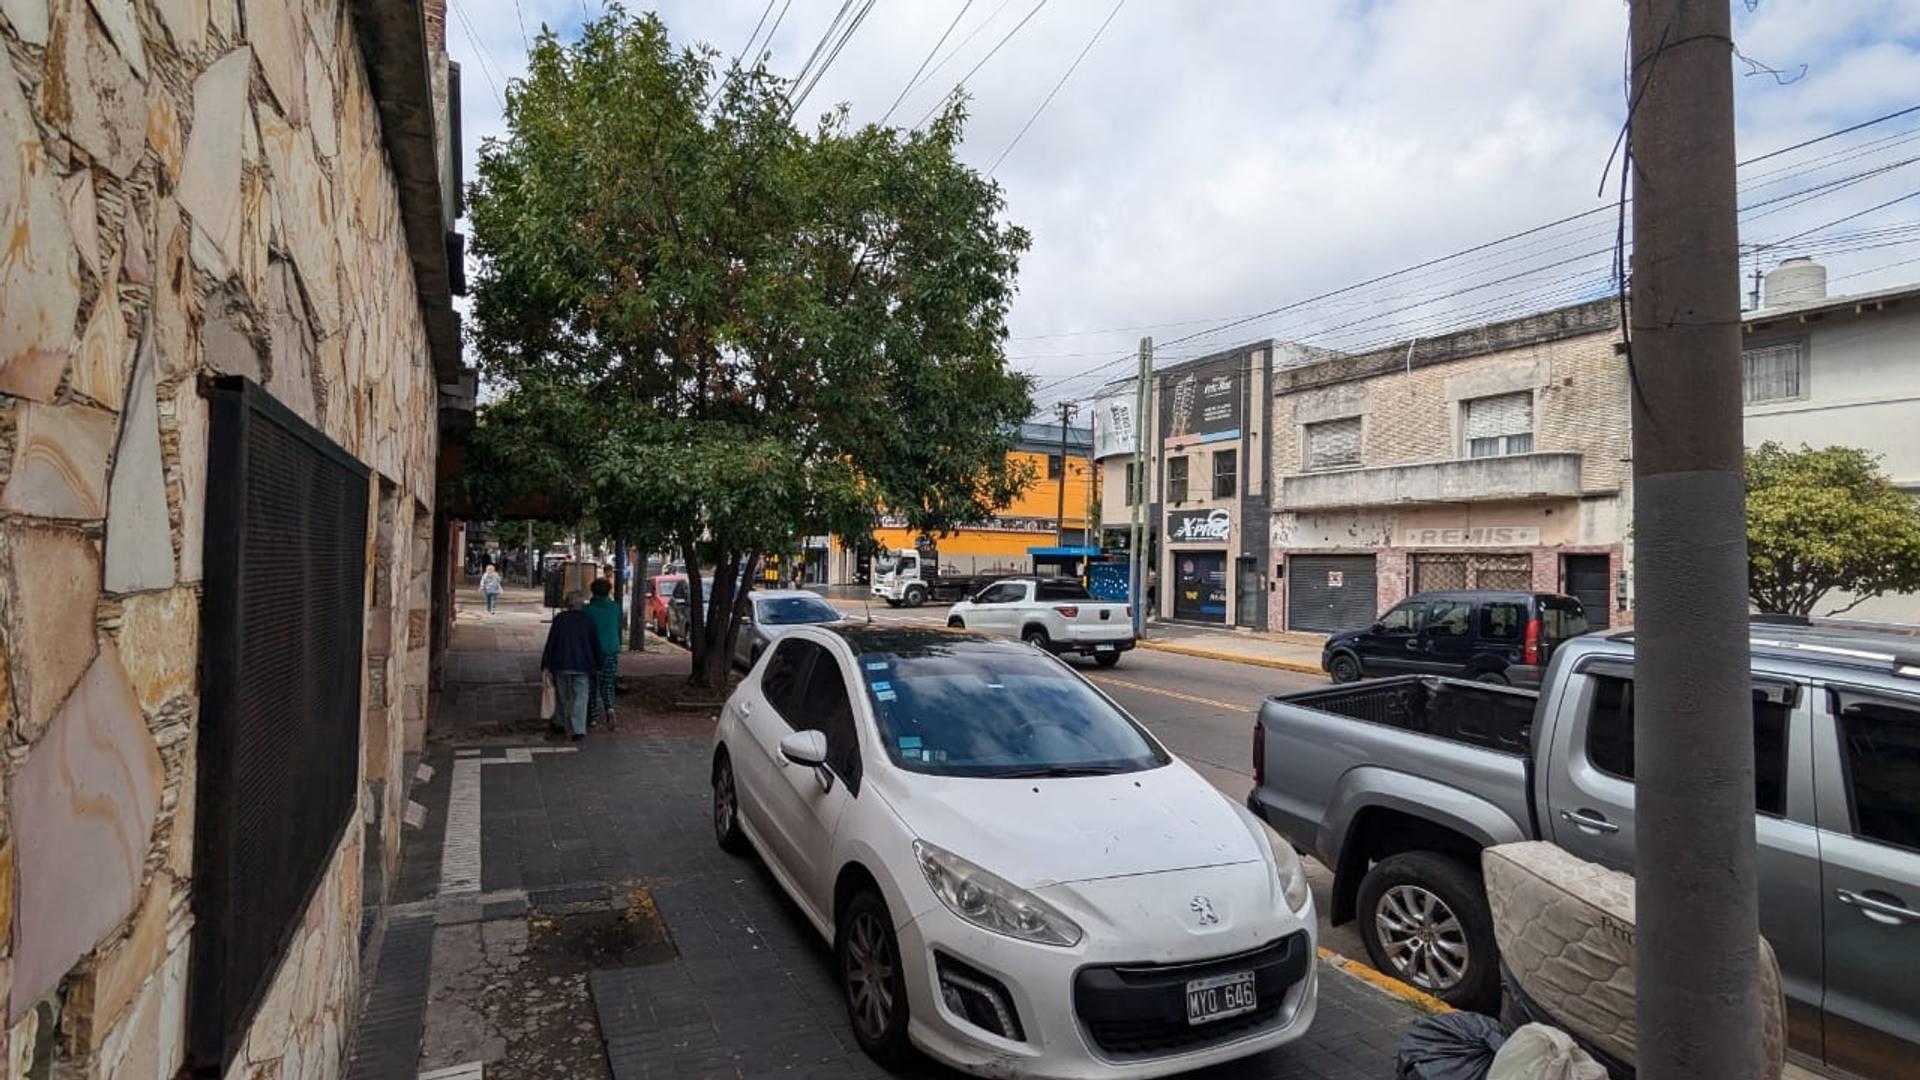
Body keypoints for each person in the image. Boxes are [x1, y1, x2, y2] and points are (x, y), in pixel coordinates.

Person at [541, 591, 603, 742]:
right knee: (581, 696)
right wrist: (599, 663)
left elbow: (551, 643)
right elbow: (595, 644)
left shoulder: (559, 620)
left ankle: (560, 722)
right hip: (583, 664)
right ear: (581, 605)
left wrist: (545, 664)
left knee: (562, 695)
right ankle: (578, 730)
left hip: (561, 662)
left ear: (567, 604)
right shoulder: (588, 620)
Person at [585, 577, 622, 727]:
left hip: (591, 651)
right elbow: (618, 625)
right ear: (608, 591)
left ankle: (592, 716)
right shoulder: (615, 607)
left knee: (591, 683)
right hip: (611, 649)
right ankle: (610, 708)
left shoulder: (587, 610)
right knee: (607, 682)